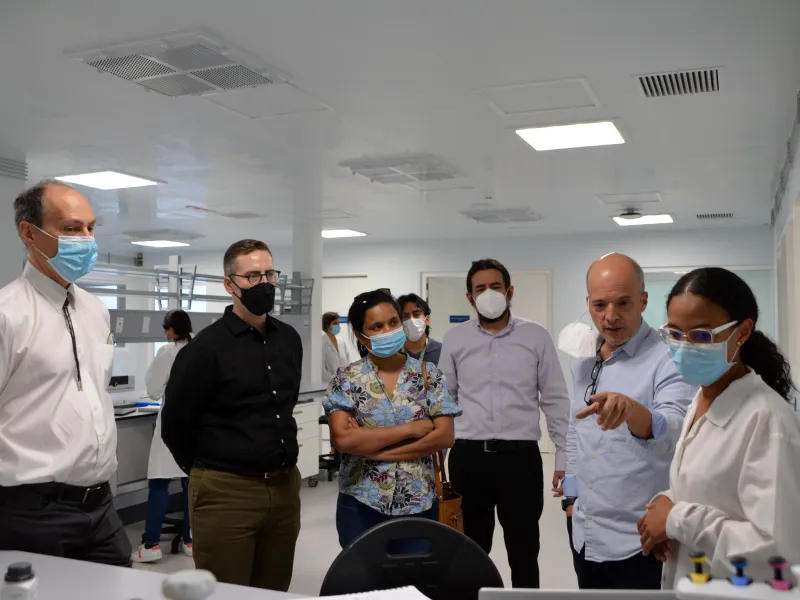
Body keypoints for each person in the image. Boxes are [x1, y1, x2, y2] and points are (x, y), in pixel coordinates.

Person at [638, 267, 800, 589]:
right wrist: (664, 509)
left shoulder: (767, 420)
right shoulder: (702, 399)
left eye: (702, 335)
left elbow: (778, 552)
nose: (684, 347)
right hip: (693, 583)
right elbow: (712, 490)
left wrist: (677, 519)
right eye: (675, 334)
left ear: (742, 332)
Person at [0, 179, 131, 566]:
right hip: (30, 511)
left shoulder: (95, 310)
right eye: (72, 229)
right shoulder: (8, 315)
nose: (86, 240)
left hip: (100, 505)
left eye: (91, 228)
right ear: (30, 234)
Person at [162, 239, 303, 591]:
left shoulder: (288, 340)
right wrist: (209, 473)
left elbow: (284, 407)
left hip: (284, 487)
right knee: (227, 592)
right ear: (230, 284)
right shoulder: (204, 349)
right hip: (227, 491)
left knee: (274, 590)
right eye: (253, 276)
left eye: (270, 274)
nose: (264, 283)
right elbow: (175, 425)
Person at [558, 253, 693, 590]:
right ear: (588, 304)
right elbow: (576, 434)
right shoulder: (584, 361)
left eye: (623, 303)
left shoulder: (669, 358)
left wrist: (633, 412)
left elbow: (676, 431)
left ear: (643, 301)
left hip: (642, 540)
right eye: (600, 305)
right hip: (585, 534)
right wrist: (570, 501)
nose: (610, 316)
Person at [439, 258, 570, 588]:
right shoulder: (455, 339)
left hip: (521, 461)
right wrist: (436, 461)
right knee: (471, 550)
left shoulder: (536, 336)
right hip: (469, 459)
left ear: (510, 291)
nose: (489, 293)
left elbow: (554, 397)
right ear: (470, 297)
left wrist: (564, 456)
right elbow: (443, 402)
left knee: (524, 551)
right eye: (480, 288)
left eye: (495, 286)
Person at [324, 290, 461, 548]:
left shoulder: (428, 375)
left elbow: (444, 436)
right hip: (361, 502)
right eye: (376, 327)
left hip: (419, 501)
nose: (388, 331)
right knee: (363, 572)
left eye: (393, 322)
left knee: (417, 572)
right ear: (360, 335)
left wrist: (374, 448)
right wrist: (411, 429)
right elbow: (343, 439)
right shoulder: (347, 378)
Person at [131, 309, 194, 563]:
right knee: (191, 485)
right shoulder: (200, 348)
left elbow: (154, 391)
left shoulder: (167, 352)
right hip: (195, 428)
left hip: (171, 427)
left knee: (159, 484)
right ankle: (190, 541)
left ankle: (151, 545)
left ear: (171, 330)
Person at [397, 293, 443, 366]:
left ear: (427, 319)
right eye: (405, 316)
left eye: (416, 315)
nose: (411, 320)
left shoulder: (442, 351)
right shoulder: (393, 352)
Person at [322, 311, 352, 381]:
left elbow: (348, 361)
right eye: (335, 323)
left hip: (345, 381)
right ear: (327, 325)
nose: (338, 326)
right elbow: (322, 371)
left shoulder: (341, 341)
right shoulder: (321, 343)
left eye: (338, 323)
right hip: (330, 383)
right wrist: (335, 381)